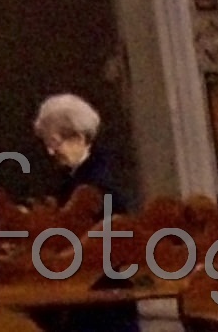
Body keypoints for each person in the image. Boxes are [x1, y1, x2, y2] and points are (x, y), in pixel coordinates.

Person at [30, 95, 137, 332]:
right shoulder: (72, 180)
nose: (49, 151)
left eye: (54, 142)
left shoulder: (98, 186)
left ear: (78, 138)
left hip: (102, 304)